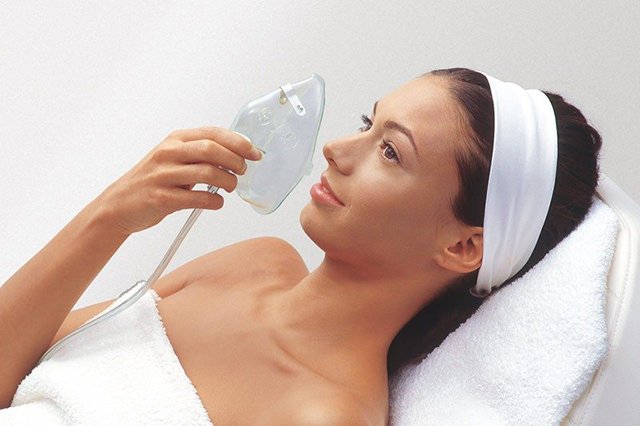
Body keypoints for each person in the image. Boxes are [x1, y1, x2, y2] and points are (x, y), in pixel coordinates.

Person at [0, 67, 602, 425]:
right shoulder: (250, 263)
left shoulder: (324, 415)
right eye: (367, 123)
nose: (337, 149)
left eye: (390, 151)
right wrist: (111, 216)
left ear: (464, 247)